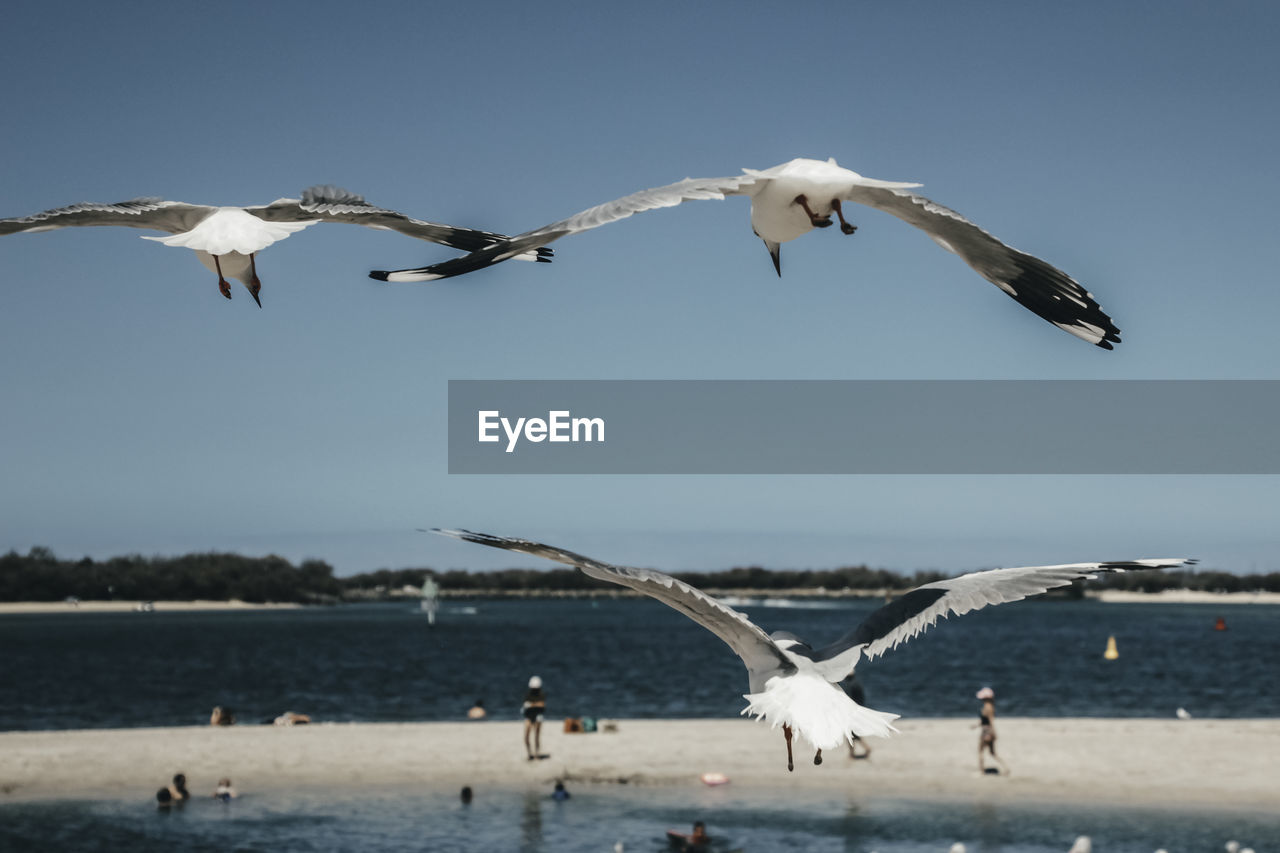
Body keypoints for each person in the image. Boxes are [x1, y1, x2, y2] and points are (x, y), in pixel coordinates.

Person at [974, 687, 1010, 775]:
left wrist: (993, 732)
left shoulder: (988, 707)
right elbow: (984, 720)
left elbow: (990, 721)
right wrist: (976, 725)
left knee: (980, 751)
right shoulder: (990, 706)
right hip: (988, 731)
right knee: (992, 753)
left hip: (986, 732)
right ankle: (1006, 768)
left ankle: (981, 771)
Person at [842, 675, 872, 760]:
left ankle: (858, 751)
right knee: (852, 734)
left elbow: (849, 700)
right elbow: (861, 699)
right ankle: (855, 752)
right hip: (858, 711)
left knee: (850, 734)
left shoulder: (850, 685)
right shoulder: (857, 684)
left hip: (852, 712)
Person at [522, 676, 547, 760]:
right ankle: (530, 753)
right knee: (526, 736)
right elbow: (526, 706)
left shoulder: (541, 695)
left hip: (537, 716)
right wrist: (534, 705)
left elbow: (542, 705)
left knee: (536, 736)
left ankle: (536, 753)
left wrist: (532, 705)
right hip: (529, 716)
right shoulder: (528, 695)